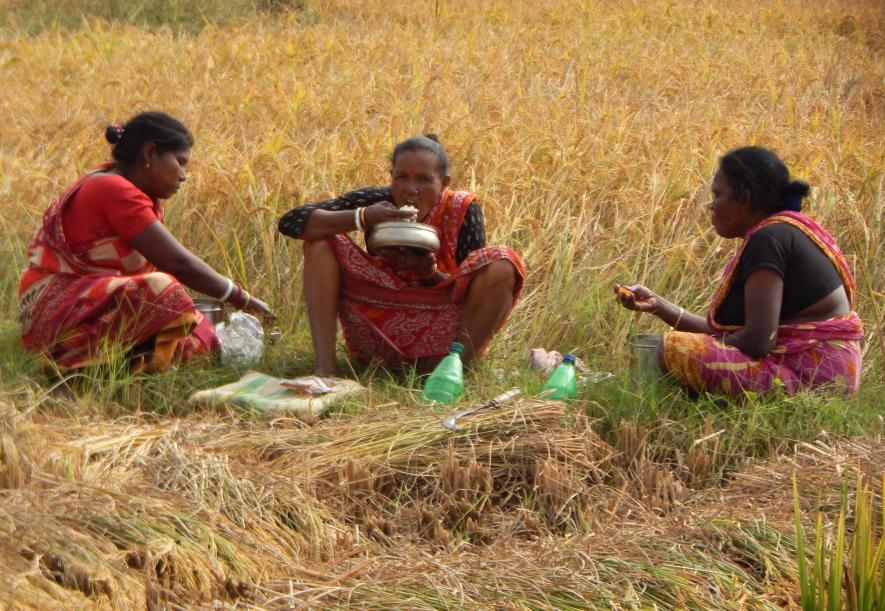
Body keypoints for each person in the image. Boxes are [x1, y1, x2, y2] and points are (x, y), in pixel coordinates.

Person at [17, 111, 272, 372]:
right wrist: (242, 298)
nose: (183, 175)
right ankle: (90, 364)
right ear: (150, 153)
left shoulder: (113, 183)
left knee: (188, 317)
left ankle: (122, 365)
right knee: (164, 290)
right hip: (59, 320)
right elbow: (176, 262)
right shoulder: (113, 189)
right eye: (180, 162)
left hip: (56, 314)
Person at [615, 146, 863, 396]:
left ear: (745, 197)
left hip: (810, 377)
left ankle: (658, 416)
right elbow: (733, 334)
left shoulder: (768, 239)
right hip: (821, 374)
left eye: (717, 194)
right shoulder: (782, 232)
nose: (711, 206)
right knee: (676, 345)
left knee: (674, 348)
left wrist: (699, 346)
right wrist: (658, 305)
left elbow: (758, 341)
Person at [278, 134, 525, 376]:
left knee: (502, 263)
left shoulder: (463, 211)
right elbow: (292, 222)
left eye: (425, 180)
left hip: (440, 333)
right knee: (319, 240)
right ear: (391, 178)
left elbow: (471, 292)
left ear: (444, 183)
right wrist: (362, 218)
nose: (410, 190)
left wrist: (429, 273)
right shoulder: (377, 202)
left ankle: (454, 369)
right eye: (401, 177)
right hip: (376, 326)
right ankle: (325, 368)